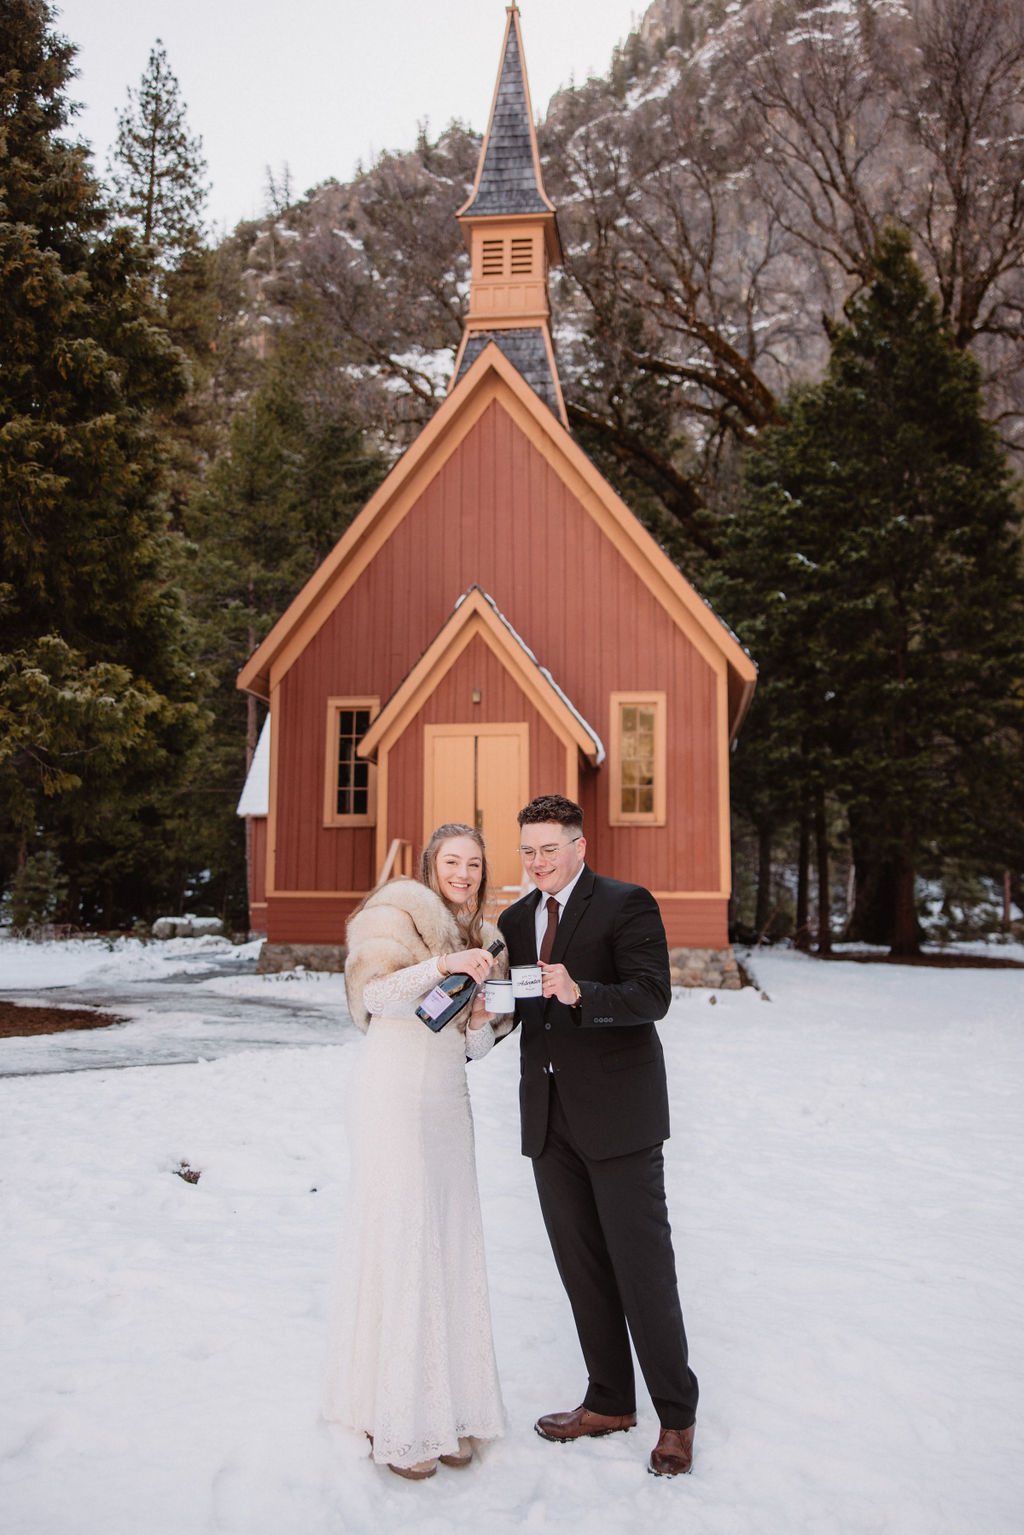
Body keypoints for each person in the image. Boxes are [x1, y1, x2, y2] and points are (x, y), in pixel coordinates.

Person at [497, 793, 699, 1478]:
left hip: (620, 1119)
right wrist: (481, 1013)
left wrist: (582, 991)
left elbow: (652, 995)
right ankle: (609, 1398)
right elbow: (522, 1011)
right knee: (581, 1267)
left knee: (643, 1271)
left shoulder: (626, 902)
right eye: (528, 850)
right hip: (548, 1119)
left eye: (549, 848)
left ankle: (676, 1417)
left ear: (580, 846)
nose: (537, 862)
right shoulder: (515, 919)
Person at [323, 824, 511, 1480]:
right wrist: (440, 964)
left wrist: (484, 1021)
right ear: (433, 863)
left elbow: (470, 1047)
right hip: (392, 1092)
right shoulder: (394, 911)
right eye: (453, 860)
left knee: (451, 1241)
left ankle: (447, 1407)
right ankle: (397, 1421)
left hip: (445, 1103)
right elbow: (374, 999)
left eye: (475, 863)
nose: (463, 872)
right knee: (404, 1241)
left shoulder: (487, 940)